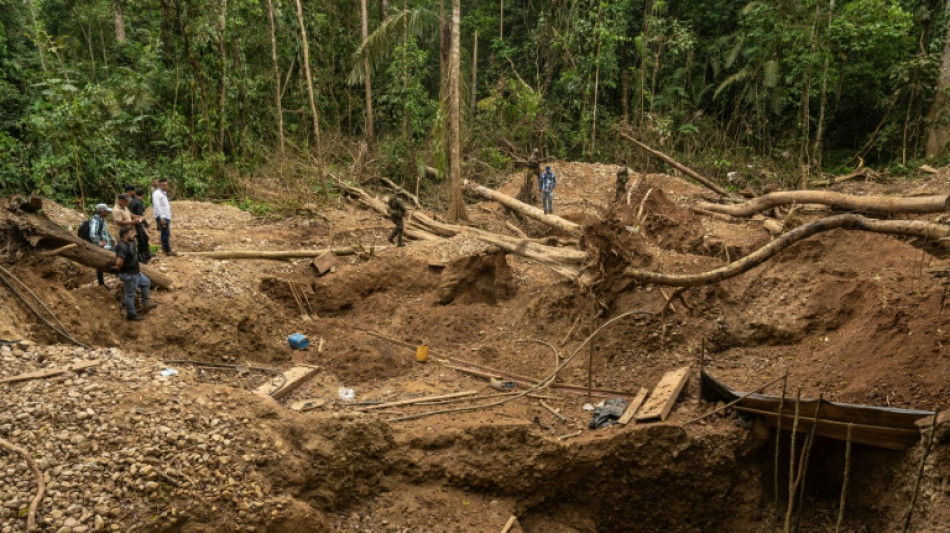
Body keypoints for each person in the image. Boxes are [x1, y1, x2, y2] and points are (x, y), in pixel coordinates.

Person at [112, 227, 156, 320]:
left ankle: (146, 303)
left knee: (146, 282)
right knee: (130, 294)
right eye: (131, 233)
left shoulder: (130, 242)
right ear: (125, 235)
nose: (133, 235)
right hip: (129, 274)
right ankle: (131, 314)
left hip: (136, 273)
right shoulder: (122, 246)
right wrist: (117, 269)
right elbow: (119, 262)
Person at [87, 204, 115, 288]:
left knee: (101, 264)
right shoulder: (95, 221)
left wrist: (112, 240)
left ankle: (101, 282)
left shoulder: (101, 220)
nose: (108, 213)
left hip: (107, 245)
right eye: (106, 211)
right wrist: (99, 243)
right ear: (102, 211)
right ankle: (101, 283)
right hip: (102, 247)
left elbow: (105, 232)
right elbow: (92, 235)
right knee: (101, 263)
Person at [127, 186, 152, 264]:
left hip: (133, 223)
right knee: (141, 241)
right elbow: (140, 216)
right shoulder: (138, 203)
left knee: (145, 238)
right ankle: (142, 257)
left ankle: (146, 254)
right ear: (143, 195)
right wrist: (147, 226)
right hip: (137, 224)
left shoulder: (132, 201)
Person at [151, 178, 175, 256]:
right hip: (162, 217)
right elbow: (157, 206)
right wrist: (161, 217)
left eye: (166, 185)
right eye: (164, 185)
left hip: (166, 216)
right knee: (165, 233)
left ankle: (166, 249)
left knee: (166, 233)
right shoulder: (157, 194)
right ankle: (167, 251)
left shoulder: (163, 193)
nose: (166, 186)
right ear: (160, 185)